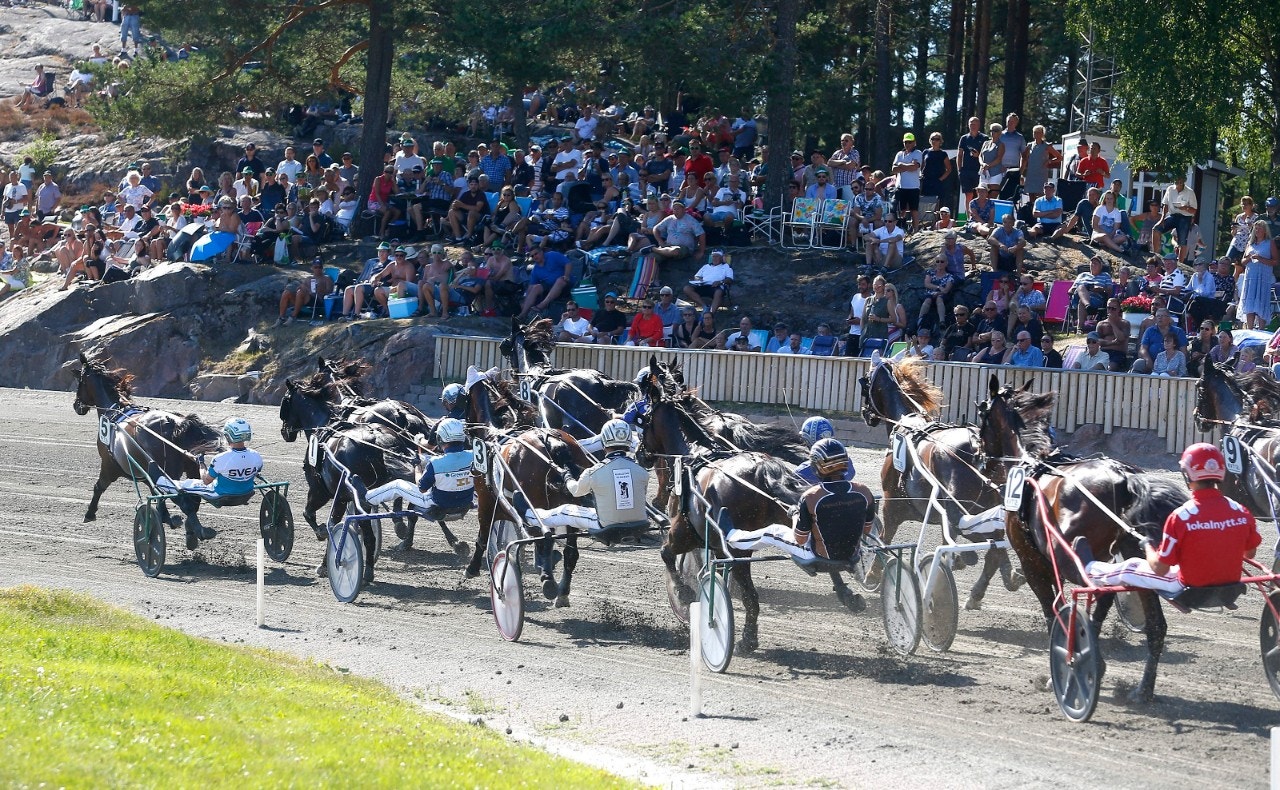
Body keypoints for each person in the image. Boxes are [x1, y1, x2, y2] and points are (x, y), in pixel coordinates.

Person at [1076, 443, 1259, 596]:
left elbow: (1160, 569)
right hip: (1231, 584)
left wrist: (1147, 545)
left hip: (1187, 587)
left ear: (1187, 475)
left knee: (1132, 566)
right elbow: (1249, 554)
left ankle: (1090, 569)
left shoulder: (1181, 516)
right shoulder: (1241, 511)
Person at [726, 439, 876, 597]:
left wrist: (796, 515)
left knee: (773, 532)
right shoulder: (864, 491)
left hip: (817, 557)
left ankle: (731, 537)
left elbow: (800, 540)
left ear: (816, 466)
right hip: (852, 556)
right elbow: (866, 529)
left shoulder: (811, 496)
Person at [513, 419, 649, 551]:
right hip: (641, 523)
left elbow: (575, 491)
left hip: (607, 525)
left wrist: (567, 475)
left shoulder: (594, 472)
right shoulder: (642, 471)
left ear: (604, 442)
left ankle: (530, 516)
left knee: (565, 510)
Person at [349, 419, 474, 551]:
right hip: (465, 502)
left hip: (436, 504)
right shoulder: (473, 456)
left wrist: (417, 466)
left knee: (397, 485)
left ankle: (367, 497)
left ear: (440, 438)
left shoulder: (436, 463)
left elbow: (422, 487)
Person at [152, 418, 263, 549]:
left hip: (219, 493)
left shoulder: (221, 459)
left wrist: (201, 463)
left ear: (227, 436)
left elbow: (205, 480)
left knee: (184, 484)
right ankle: (191, 525)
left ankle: (160, 481)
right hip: (247, 491)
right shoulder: (256, 456)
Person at [1151, 174, 1198, 264]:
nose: (1178, 182)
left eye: (1180, 180)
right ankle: (1156, 256)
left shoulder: (1190, 192)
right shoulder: (1170, 189)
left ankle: (1180, 264)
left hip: (1185, 217)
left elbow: (1194, 210)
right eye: (1176, 180)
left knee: (1182, 241)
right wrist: (1162, 219)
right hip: (1172, 215)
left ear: (1184, 181)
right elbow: (1165, 205)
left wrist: (1186, 208)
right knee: (1156, 229)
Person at [1240, 220, 1277, 330]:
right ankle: (1250, 328)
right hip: (1251, 276)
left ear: (1265, 231)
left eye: (1260, 228)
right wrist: (1249, 258)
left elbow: (1275, 261)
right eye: (1256, 228)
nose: (1257, 231)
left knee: (1261, 300)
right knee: (1250, 302)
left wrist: (1260, 258)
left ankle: (1261, 329)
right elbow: (1242, 261)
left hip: (1263, 277)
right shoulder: (1250, 244)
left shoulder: (1269, 243)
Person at [519, 246, 574, 319]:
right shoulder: (535, 270)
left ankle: (541, 306)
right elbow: (531, 286)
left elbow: (568, 263)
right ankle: (522, 315)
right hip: (551, 286)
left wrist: (566, 275)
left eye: (536, 254)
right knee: (536, 287)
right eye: (532, 256)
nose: (535, 256)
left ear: (541, 252)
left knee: (560, 280)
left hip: (566, 283)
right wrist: (525, 299)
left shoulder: (552, 255)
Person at [277, 258, 334, 325]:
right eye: (316, 267)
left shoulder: (327, 278)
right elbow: (299, 289)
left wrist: (320, 290)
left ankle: (292, 317)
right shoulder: (308, 279)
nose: (318, 269)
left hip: (317, 301)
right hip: (304, 299)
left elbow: (330, 292)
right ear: (312, 268)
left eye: (320, 267)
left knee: (301, 293)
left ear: (322, 268)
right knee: (286, 293)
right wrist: (300, 287)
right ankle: (281, 318)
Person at [682, 249, 733, 314]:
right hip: (703, 285)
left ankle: (711, 313)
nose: (715, 258)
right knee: (687, 288)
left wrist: (720, 282)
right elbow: (697, 276)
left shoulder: (726, 266)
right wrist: (699, 280)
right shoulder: (706, 266)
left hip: (716, 287)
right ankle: (704, 307)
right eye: (713, 256)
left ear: (721, 258)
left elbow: (730, 279)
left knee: (719, 292)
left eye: (717, 256)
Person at [891, 133, 924, 232]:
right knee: (901, 209)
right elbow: (894, 169)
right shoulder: (899, 154)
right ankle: (901, 228)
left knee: (914, 210)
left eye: (910, 142)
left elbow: (915, 167)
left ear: (914, 143)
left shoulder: (918, 153)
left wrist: (901, 165)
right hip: (900, 186)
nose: (907, 144)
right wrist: (907, 166)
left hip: (913, 187)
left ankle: (916, 231)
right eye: (906, 142)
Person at [1072, 255, 1113, 331]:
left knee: (1082, 301)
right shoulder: (1082, 275)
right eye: (1092, 263)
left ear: (1101, 266)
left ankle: (1079, 328)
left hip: (1096, 299)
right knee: (1081, 287)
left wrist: (1101, 289)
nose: (1093, 265)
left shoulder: (1106, 276)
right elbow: (1070, 290)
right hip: (1078, 296)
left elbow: (1110, 291)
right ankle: (1088, 306)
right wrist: (1083, 288)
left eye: (1096, 263)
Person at [918, 257, 958, 330]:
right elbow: (927, 284)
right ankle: (920, 320)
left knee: (939, 299)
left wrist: (938, 292)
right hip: (930, 294)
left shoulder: (950, 276)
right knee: (927, 300)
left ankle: (942, 321)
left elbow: (946, 290)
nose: (939, 263)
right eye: (937, 261)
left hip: (942, 295)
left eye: (942, 261)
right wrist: (938, 287)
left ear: (946, 263)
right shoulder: (930, 272)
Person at [1095, 299, 1132, 371]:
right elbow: (1097, 341)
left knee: (1111, 368)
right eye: (1109, 308)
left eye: (1113, 309)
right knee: (1098, 366)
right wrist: (1114, 342)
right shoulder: (1101, 324)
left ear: (1118, 309)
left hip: (1118, 354)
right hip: (1103, 352)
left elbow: (1121, 339)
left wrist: (1112, 323)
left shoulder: (1125, 323)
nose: (1110, 311)